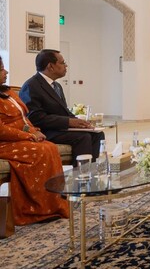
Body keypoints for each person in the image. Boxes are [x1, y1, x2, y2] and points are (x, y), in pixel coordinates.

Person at [0, 55, 69, 225]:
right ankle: (35, 209)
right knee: (41, 150)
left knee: (50, 147)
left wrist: (34, 131)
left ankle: (53, 204)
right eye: (1, 69)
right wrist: (29, 136)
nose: (6, 71)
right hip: (5, 142)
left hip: (20, 138)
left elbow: (24, 119)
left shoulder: (8, 92)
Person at [19, 49, 104, 165]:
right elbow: (35, 117)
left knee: (97, 134)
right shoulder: (31, 86)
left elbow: (64, 111)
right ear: (50, 66)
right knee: (83, 137)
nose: (66, 66)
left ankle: (92, 171)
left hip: (59, 128)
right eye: (63, 62)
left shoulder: (57, 86)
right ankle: (82, 173)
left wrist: (80, 122)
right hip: (45, 131)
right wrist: (68, 122)